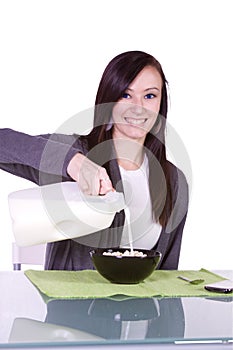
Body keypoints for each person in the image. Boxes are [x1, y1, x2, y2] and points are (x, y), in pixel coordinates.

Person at [0, 50, 189, 270]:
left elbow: (167, 276)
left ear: (160, 105)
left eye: (149, 96)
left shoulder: (174, 181)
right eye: (126, 95)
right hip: (75, 303)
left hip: (142, 304)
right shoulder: (78, 153)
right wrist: (73, 163)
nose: (138, 107)